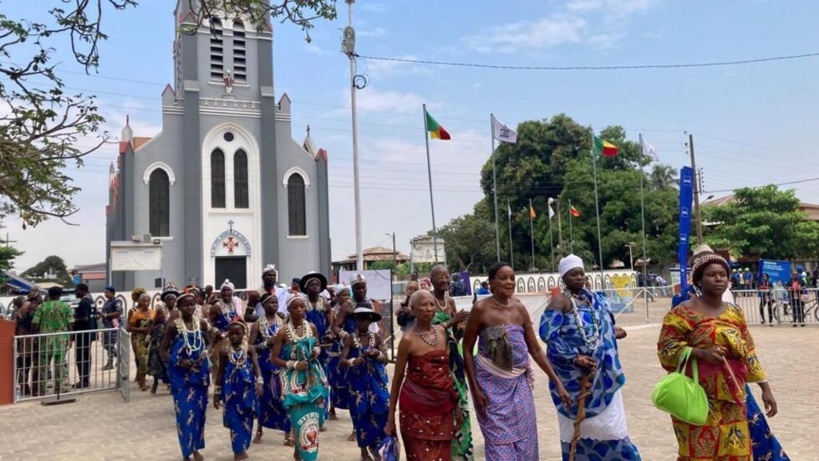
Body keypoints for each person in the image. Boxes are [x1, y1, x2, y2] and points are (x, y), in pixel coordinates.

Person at [658, 251, 783, 460]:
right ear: (699, 279)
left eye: (723, 275)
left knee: (735, 450)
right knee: (700, 452)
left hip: (732, 395)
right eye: (711, 275)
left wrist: (765, 388)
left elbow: (748, 351)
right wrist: (701, 353)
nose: (718, 279)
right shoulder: (682, 312)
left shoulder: (734, 312)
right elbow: (665, 348)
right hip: (697, 394)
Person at [464, 262, 571, 460]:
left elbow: (536, 350)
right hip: (490, 387)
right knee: (499, 445)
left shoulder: (519, 309)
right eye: (503, 278)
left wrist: (557, 382)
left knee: (526, 442)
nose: (509, 282)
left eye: (512, 277)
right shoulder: (481, 309)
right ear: (491, 283)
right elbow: (468, 349)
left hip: (519, 386)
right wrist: (475, 389)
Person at [539, 254, 641, 460]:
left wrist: (612, 330)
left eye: (581, 274)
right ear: (563, 277)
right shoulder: (561, 300)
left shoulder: (594, 298)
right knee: (581, 430)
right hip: (574, 378)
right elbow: (547, 334)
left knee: (611, 428)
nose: (578, 278)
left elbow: (601, 326)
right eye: (572, 274)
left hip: (602, 375)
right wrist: (575, 358)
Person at [385, 289, 459, 460]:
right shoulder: (408, 340)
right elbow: (396, 381)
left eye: (432, 304)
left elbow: (445, 373)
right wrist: (391, 419)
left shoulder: (441, 333)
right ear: (413, 309)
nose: (429, 308)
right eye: (423, 305)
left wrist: (456, 405)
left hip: (443, 409)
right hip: (415, 411)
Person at [270, 294, 329, 461]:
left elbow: (317, 345)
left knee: (313, 418)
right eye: (295, 307)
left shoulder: (312, 327)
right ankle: (299, 449)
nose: (299, 310)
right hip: (292, 379)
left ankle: (305, 453)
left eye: (302, 306)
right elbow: (274, 358)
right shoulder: (283, 332)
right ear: (288, 310)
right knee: (298, 417)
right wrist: (293, 365)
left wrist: (316, 351)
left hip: (313, 377)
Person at [160, 290, 212, 461]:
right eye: (185, 304)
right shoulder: (173, 326)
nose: (190, 307)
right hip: (181, 377)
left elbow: (213, 342)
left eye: (192, 304)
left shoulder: (202, 324)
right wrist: (178, 361)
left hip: (200, 376)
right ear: (179, 307)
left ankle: (196, 448)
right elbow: (162, 351)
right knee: (184, 415)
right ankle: (186, 452)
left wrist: (206, 355)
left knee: (199, 414)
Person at [429, 265, 473, 460]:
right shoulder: (427, 301)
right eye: (440, 277)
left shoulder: (451, 301)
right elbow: (426, 331)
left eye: (447, 277)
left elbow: (454, 335)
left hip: (452, 360)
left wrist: (462, 327)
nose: (445, 280)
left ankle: (461, 453)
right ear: (431, 280)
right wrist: (453, 321)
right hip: (433, 359)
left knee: (459, 402)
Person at [341, 304, 390, 461]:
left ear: (370, 322)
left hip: (375, 381)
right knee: (360, 413)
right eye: (359, 319)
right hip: (357, 383)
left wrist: (376, 354)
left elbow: (386, 359)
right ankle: (363, 451)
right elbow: (342, 361)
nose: (361, 323)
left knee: (383, 409)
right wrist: (354, 361)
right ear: (355, 321)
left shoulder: (377, 338)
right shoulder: (350, 338)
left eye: (365, 320)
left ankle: (375, 447)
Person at [214, 319, 263, 461]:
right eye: (231, 334)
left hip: (247, 389)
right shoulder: (224, 351)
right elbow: (221, 372)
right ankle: (237, 451)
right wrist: (217, 393)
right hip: (231, 391)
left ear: (244, 334)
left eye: (238, 333)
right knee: (235, 420)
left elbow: (256, 367)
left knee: (247, 418)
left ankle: (243, 446)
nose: (234, 336)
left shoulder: (249, 349)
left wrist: (259, 381)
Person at [249, 293, 292, 446]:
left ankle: (288, 433)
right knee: (264, 398)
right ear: (264, 305)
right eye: (271, 303)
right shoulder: (257, 325)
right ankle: (260, 430)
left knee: (284, 398)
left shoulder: (284, 323)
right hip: (265, 366)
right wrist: (266, 344)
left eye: (276, 302)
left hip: (281, 364)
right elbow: (250, 347)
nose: (274, 305)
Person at [33, 286, 73, 395]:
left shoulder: (42, 306)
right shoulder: (65, 306)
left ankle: (42, 390)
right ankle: (58, 389)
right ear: (60, 295)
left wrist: (35, 336)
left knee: (43, 366)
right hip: (61, 339)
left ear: (49, 295)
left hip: (45, 339)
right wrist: (71, 338)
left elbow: (35, 322)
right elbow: (70, 323)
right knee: (59, 365)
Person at [327, 284, 352, 421]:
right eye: (344, 295)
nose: (347, 298)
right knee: (334, 379)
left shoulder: (350, 310)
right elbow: (331, 329)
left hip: (348, 347)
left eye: (348, 295)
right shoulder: (333, 312)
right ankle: (332, 408)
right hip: (335, 349)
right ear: (337, 297)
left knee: (347, 379)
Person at [209, 279, 241, 382]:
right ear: (220, 293)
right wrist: (216, 331)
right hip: (221, 340)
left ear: (232, 292)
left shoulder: (238, 305)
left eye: (228, 290)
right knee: (220, 364)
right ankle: (219, 386)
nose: (226, 293)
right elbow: (210, 324)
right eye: (224, 290)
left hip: (236, 340)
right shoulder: (216, 307)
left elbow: (242, 320)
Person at [128, 293, 155, 392]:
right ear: (139, 301)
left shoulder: (153, 313)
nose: (146, 303)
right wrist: (142, 330)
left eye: (148, 301)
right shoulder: (136, 314)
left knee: (149, 360)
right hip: (140, 339)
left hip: (150, 339)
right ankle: (142, 382)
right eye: (144, 301)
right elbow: (129, 327)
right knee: (142, 360)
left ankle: (143, 380)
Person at [73, 283, 97, 389]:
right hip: (90, 332)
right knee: (87, 356)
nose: (76, 292)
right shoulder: (91, 301)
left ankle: (84, 380)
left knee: (80, 357)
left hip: (83, 333)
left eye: (77, 290)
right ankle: (85, 379)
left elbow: (83, 318)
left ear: (83, 291)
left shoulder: (83, 303)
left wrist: (74, 318)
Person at [99, 286, 122, 371]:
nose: (105, 294)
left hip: (113, 326)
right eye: (105, 292)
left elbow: (118, 313)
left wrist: (106, 315)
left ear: (112, 293)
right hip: (106, 326)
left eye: (107, 292)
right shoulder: (107, 302)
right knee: (106, 344)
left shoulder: (117, 301)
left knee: (110, 345)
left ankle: (112, 361)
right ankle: (117, 358)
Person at [148, 306, 170, 394]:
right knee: (157, 367)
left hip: (163, 348)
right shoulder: (156, 324)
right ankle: (155, 384)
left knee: (165, 367)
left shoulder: (165, 324)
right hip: (156, 349)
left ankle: (166, 384)